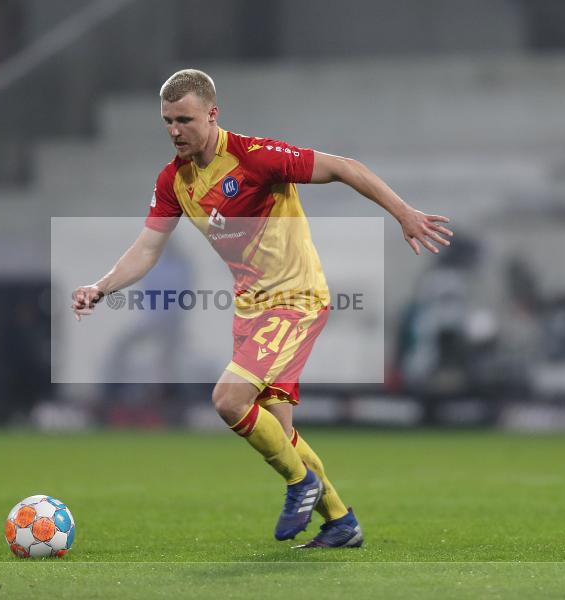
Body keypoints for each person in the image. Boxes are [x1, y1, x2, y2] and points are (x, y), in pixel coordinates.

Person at [72, 69, 453, 548]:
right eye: (167, 121)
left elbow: (344, 167)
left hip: (296, 300)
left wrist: (404, 213)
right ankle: (340, 522)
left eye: (184, 120)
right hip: (251, 308)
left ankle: (301, 485)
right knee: (281, 432)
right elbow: (147, 249)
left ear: (212, 114)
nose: (174, 131)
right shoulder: (174, 180)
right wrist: (102, 286)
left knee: (228, 400)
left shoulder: (256, 158)